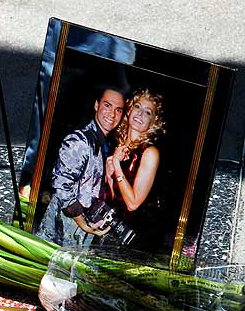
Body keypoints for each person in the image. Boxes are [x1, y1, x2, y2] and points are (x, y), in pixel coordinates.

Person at [37, 88, 125, 246]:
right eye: (107, 105)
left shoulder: (106, 145)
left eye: (118, 110)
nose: (112, 114)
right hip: (59, 234)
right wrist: (82, 222)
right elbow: (61, 185)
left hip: (79, 238)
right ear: (96, 105)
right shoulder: (80, 141)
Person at [103, 88, 165, 234]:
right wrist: (108, 175)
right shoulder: (118, 145)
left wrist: (117, 166)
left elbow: (132, 204)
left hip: (135, 234)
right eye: (137, 107)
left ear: (153, 123)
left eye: (148, 112)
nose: (140, 114)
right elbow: (115, 199)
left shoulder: (150, 153)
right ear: (129, 110)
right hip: (112, 228)